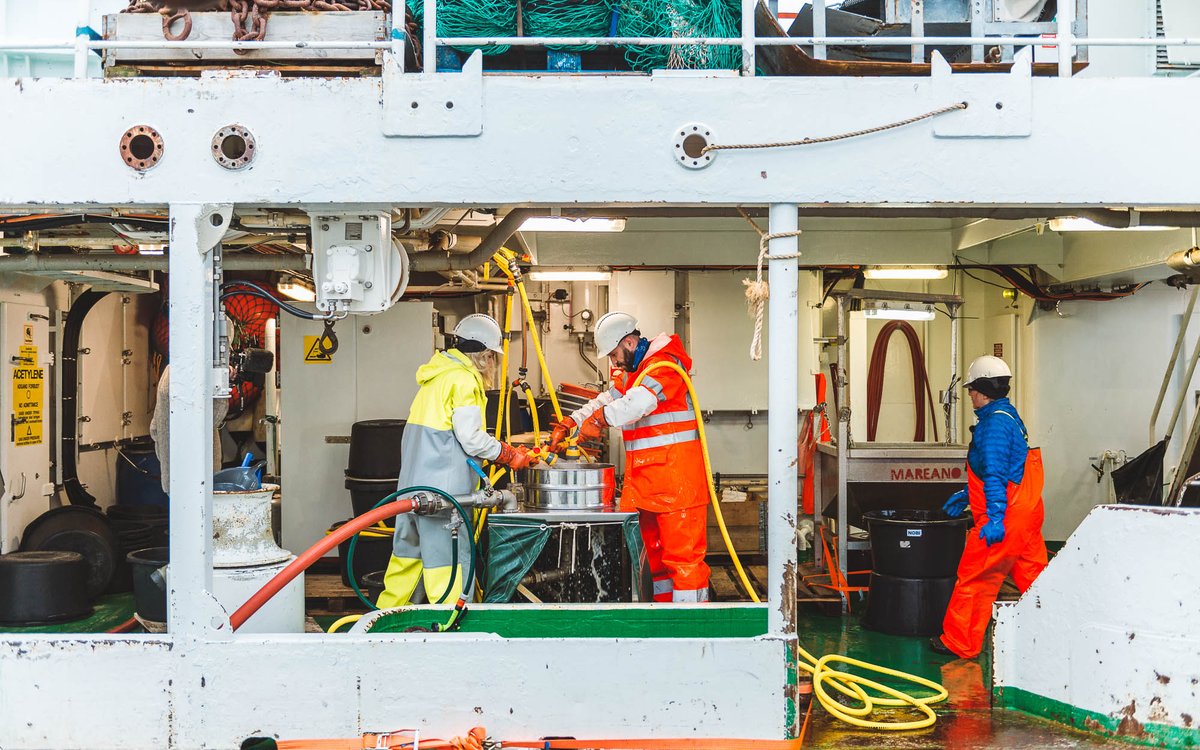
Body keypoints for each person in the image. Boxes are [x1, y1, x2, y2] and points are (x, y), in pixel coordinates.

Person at [377, 314, 540, 608]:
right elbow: (471, 438)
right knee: (447, 566)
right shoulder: (463, 380)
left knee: (405, 562)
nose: (492, 363)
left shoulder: (435, 378)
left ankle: (379, 624)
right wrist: (508, 454)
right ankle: (452, 628)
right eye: (492, 357)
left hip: (411, 492)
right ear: (483, 354)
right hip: (442, 496)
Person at [550, 311, 710, 603]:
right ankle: (666, 621)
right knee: (659, 564)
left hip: (678, 487)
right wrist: (572, 421)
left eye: (613, 355)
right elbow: (607, 399)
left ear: (629, 342)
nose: (613, 363)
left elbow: (639, 403)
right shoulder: (637, 373)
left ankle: (691, 629)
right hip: (649, 485)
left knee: (684, 564)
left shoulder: (666, 366)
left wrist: (598, 421)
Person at [931, 355, 1048, 658]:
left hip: (1004, 516)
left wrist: (993, 516)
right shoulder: (1008, 416)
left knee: (977, 576)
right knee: (1036, 578)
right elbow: (1009, 468)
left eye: (971, 389)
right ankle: (1055, 632)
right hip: (1027, 511)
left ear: (982, 389)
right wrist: (970, 495)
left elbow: (995, 471)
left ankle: (959, 642)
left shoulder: (993, 426)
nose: (969, 394)